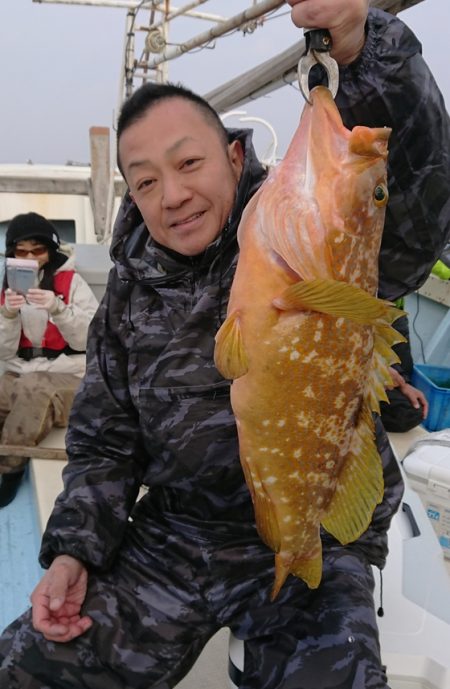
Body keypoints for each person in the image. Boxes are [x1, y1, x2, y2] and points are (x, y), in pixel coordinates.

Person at [1, 1, 450, 687]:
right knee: (27, 667)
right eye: (147, 181)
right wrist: (73, 553)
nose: (173, 195)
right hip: (175, 537)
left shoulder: (326, 250)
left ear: (235, 157)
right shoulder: (126, 296)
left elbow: (417, 200)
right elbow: (105, 443)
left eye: (189, 163)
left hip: (317, 533)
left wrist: (361, 43)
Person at [0, 212, 98, 507]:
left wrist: (58, 308)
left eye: (37, 250)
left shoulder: (73, 283)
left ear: (50, 251)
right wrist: (7, 315)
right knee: (18, 387)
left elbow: (90, 339)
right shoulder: (8, 288)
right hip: (22, 371)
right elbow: (4, 353)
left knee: (34, 390)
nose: (30, 257)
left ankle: (10, 468)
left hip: (70, 373)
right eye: (21, 251)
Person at [380, 313, 429, 433]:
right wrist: (374, 367)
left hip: (377, 371)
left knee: (411, 412)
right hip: (342, 368)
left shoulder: (395, 313)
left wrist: (404, 383)